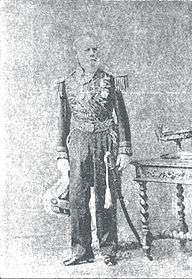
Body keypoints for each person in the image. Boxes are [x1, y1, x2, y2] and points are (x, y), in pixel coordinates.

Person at [54, 33, 132, 266]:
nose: (92, 54)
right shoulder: (66, 83)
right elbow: (63, 120)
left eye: (95, 50)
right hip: (78, 143)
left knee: (104, 196)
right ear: (78, 54)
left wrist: (124, 150)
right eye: (87, 50)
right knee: (78, 197)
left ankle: (108, 249)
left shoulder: (111, 80)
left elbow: (122, 118)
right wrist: (61, 154)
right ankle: (81, 251)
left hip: (105, 143)